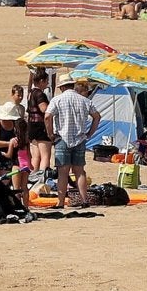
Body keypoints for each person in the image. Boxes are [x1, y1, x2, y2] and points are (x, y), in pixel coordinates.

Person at [47, 77, 100, 208]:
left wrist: (50, 134)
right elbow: (97, 116)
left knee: (63, 173)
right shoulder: (85, 101)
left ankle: (60, 202)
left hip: (62, 138)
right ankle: (84, 200)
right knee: (80, 171)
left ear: (63, 87)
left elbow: (47, 116)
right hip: (80, 138)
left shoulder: (57, 100)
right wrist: (90, 133)